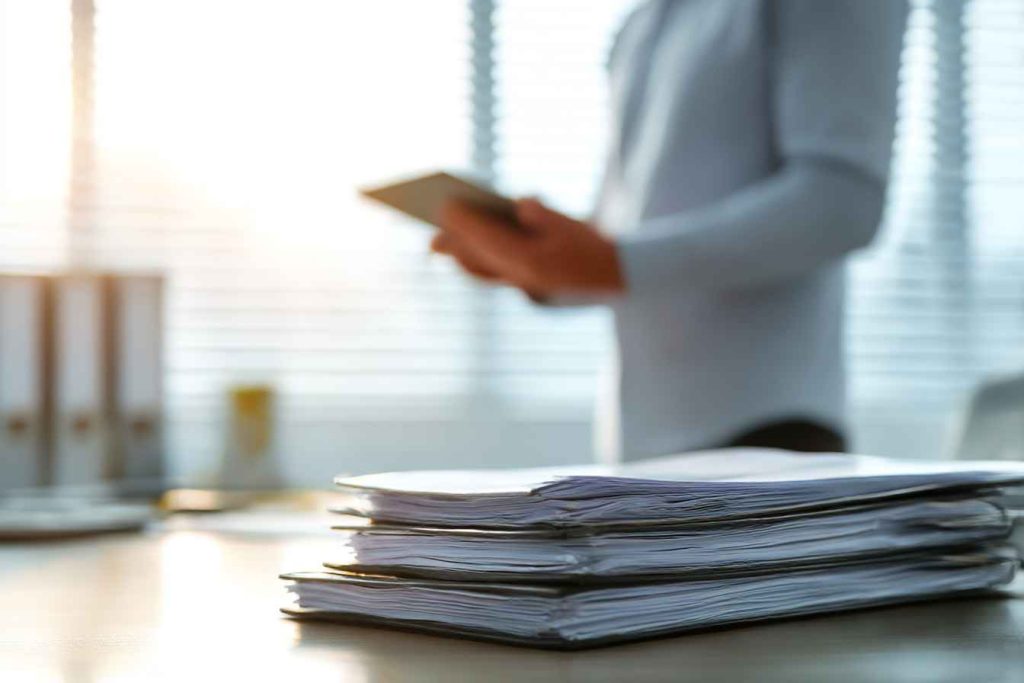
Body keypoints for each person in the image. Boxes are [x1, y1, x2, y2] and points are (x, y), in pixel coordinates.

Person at [431, 0, 908, 462]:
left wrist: (613, 261)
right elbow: (626, 239)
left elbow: (840, 204)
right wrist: (536, 265)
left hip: (772, 436)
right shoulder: (641, 24)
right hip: (640, 447)